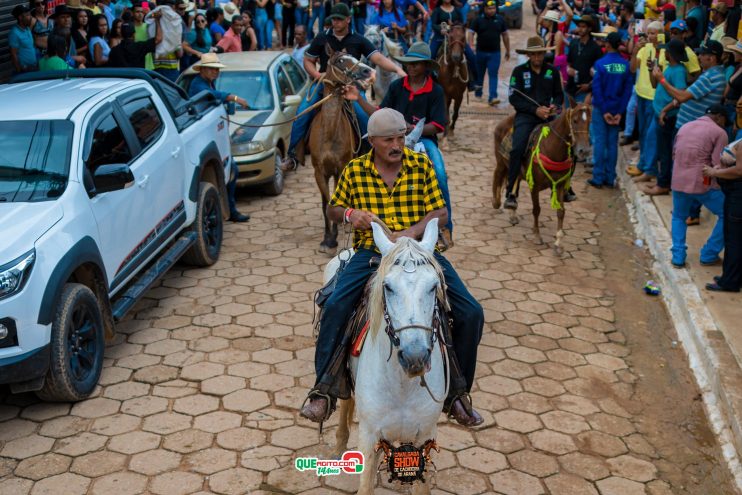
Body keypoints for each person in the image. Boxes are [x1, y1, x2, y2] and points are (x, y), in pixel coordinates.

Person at [298, 107, 485, 427]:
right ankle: (324, 388)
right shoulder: (355, 170)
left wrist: (407, 236)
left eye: (400, 137)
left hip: (421, 253)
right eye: (389, 140)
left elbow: (439, 213)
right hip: (371, 253)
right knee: (337, 304)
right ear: (372, 141)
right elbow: (333, 208)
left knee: (471, 312)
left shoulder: (420, 165)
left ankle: (457, 392)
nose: (397, 145)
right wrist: (349, 215)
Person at [343, 41, 455, 244]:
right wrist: (358, 99)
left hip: (423, 138)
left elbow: (438, 125)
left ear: (426, 66)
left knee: (438, 171)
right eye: (408, 63)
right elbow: (380, 114)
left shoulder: (436, 91)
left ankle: (445, 228)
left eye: (416, 64)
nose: (411, 67)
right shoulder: (396, 86)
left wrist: (411, 130)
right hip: (391, 137)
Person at [281, 3, 406, 170]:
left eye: (339, 20)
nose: (336, 23)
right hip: (324, 84)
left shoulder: (359, 39)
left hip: (350, 87)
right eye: (334, 19)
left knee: (364, 118)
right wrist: (318, 75)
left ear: (348, 19)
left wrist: (397, 68)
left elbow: (377, 58)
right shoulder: (321, 38)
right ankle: (292, 156)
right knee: (302, 111)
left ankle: (370, 156)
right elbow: (308, 61)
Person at [187, 53, 251, 224]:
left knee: (232, 170)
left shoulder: (207, 81)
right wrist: (236, 98)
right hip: (203, 138)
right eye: (212, 69)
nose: (216, 72)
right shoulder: (198, 85)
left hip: (215, 137)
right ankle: (225, 211)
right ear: (202, 69)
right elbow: (212, 95)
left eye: (217, 69)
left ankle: (229, 209)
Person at [504, 36, 563, 210]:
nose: (537, 58)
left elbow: (559, 94)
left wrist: (554, 106)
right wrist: (534, 110)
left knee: (567, 144)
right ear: (528, 55)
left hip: (549, 116)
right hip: (526, 116)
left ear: (543, 54)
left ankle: (565, 187)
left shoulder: (553, 72)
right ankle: (511, 191)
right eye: (533, 55)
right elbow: (513, 98)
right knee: (516, 149)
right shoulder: (518, 72)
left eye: (539, 54)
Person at [669, 106, 728, 268]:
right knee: (727, 213)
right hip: (703, 182)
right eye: (724, 120)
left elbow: (675, 154)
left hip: (678, 179)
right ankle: (709, 254)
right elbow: (718, 164)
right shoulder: (719, 133)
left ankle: (678, 256)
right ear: (719, 117)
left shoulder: (685, 126)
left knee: (678, 216)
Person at [643, 38, 688, 195]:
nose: (664, 53)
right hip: (661, 114)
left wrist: (665, 110)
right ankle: (662, 180)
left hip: (668, 117)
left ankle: (663, 184)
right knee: (662, 150)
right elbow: (657, 85)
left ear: (672, 54)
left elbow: (680, 96)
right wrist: (652, 71)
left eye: (667, 51)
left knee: (665, 151)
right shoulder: (670, 68)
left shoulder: (679, 71)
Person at [588, 32, 633, 188]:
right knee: (612, 144)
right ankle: (610, 177)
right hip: (617, 110)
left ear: (607, 45)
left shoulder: (600, 64)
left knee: (600, 142)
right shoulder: (625, 65)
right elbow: (627, 91)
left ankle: (598, 178)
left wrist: (605, 110)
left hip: (602, 109)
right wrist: (619, 112)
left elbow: (597, 88)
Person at [704, 128, 742, 292]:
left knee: (734, 240)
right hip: (735, 195)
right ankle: (733, 277)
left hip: (738, 197)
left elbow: (740, 170)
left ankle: (729, 282)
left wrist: (715, 171)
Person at [626, 20, 662, 182]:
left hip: (655, 98)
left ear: (660, 34)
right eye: (649, 33)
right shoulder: (645, 48)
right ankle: (643, 164)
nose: (650, 36)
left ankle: (650, 168)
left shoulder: (664, 51)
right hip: (641, 94)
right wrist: (635, 51)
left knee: (650, 135)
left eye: (653, 33)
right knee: (642, 132)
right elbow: (633, 69)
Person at [470, 0, 510, 106]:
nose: (492, 10)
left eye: (494, 8)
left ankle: (492, 97)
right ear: (484, 9)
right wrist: (471, 46)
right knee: (480, 74)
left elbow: (505, 35)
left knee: (493, 74)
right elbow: (471, 33)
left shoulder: (500, 20)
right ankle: (478, 93)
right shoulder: (478, 20)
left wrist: (508, 50)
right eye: (489, 8)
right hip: (480, 53)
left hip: (495, 53)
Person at [566, 14, 603, 102]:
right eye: (579, 26)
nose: (580, 29)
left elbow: (600, 71)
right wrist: (568, 69)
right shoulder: (573, 43)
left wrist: (589, 85)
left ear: (589, 29)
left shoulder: (595, 48)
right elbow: (569, 63)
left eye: (583, 26)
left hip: (585, 91)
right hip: (570, 88)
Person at [10, 5, 37, 74]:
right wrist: (19, 71)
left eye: (30, 14)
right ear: (20, 17)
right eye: (27, 15)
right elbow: (13, 54)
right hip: (25, 69)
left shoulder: (27, 29)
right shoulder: (14, 33)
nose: (31, 17)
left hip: (34, 66)